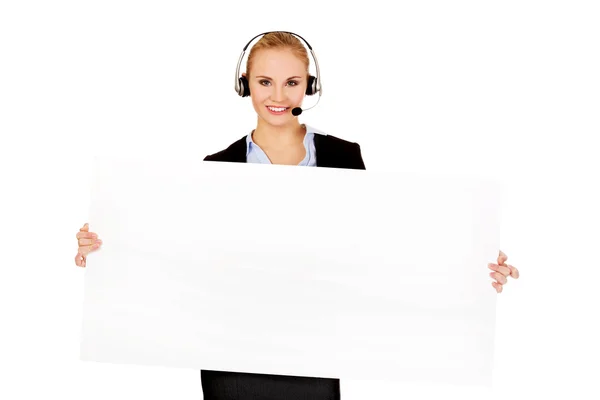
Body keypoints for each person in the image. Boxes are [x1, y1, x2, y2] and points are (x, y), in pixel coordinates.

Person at [74, 31, 520, 400]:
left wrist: (471, 261)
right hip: (231, 353)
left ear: (309, 86)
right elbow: (182, 255)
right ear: (245, 84)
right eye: (265, 82)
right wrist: (108, 247)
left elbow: (384, 247)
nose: (278, 95)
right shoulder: (217, 167)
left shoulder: (343, 157)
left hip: (314, 349)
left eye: (292, 82)